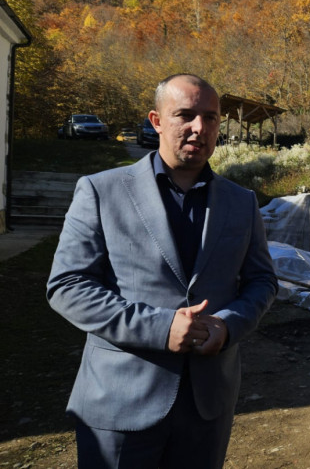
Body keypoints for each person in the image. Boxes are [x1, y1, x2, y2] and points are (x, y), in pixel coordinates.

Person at [47, 73, 277, 468]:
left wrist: (227, 325)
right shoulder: (101, 190)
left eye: (210, 117)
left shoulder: (242, 202)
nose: (199, 128)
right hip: (121, 403)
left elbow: (262, 281)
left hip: (208, 405)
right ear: (156, 120)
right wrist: (159, 327)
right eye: (184, 115)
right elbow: (67, 286)